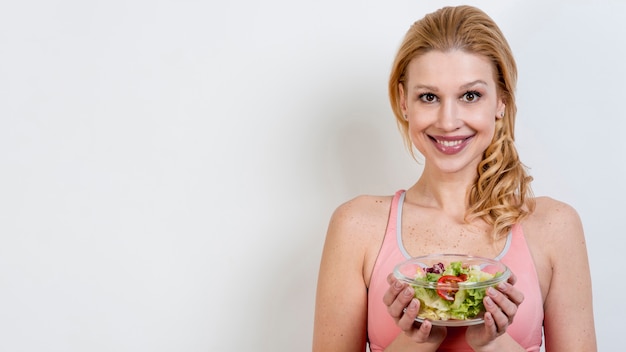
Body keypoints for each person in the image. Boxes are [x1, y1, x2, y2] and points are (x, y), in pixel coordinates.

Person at [312, 5, 596, 352]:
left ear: (501, 100)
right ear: (404, 101)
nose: (448, 121)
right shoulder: (355, 226)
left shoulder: (555, 227)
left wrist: (493, 343)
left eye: (470, 96)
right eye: (428, 97)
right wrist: (415, 340)